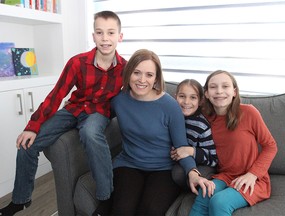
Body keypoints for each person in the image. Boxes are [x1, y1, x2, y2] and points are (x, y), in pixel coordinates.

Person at [0, 10, 126, 216]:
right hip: (73, 109)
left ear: (119, 36)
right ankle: (20, 199)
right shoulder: (77, 63)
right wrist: (32, 126)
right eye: (100, 32)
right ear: (93, 36)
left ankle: (106, 197)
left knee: (90, 133)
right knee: (26, 144)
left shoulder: (125, 69)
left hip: (98, 113)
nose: (105, 38)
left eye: (111, 33)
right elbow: (57, 94)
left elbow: (131, 99)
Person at [93, 49, 215, 216]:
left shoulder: (170, 106)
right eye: (137, 73)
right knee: (122, 210)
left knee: (150, 211)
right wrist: (74, 107)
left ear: (156, 78)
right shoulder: (119, 100)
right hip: (129, 164)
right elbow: (95, 110)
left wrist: (193, 172)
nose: (142, 80)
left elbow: (181, 146)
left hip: (163, 169)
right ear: (128, 73)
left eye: (149, 75)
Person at [189, 70, 278, 216]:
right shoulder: (205, 118)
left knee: (219, 202)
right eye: (213, 87)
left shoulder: (249, 113)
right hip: (225, 176)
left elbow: (271, 146)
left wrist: (253, 174)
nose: (219, 91)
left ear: (234, 91)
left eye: (225, 86)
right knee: (204, 194)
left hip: (253, 179)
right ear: (206, 94)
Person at [171, 79, 218, 190]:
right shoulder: (171, 116)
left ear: (200, 101)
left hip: (203, 165)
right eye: (182, 96)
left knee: (178, 173)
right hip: (179, 161)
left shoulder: (201, 125)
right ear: (175, 97)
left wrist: (190, 151)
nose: (186, 102)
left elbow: (213, 158)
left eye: (193, 97)